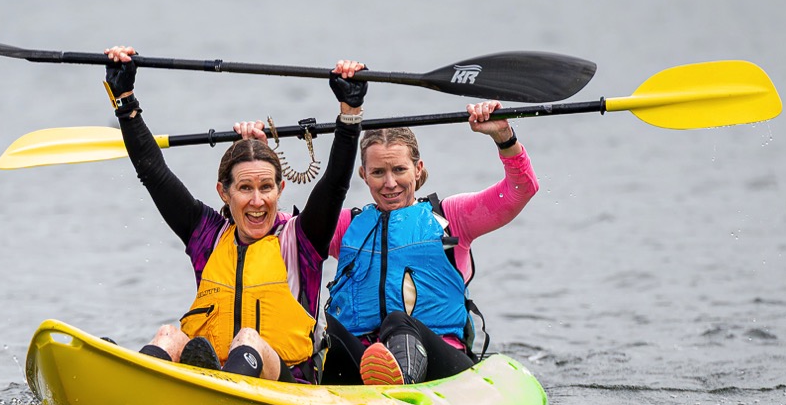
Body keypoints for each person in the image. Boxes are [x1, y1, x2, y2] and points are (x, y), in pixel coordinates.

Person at [106, 46, 366, 382]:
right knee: (169, 336)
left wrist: (350, 114)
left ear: (280, 190)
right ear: (224, 194)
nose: (257, 201)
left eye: (266, 188)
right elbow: (154, 173)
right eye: (245, 189)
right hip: (218, 381)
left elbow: (335, 185)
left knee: (248, 340)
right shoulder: (207, 236)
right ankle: (129, 385)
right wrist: (125, 101)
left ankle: (216, 390)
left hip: (288, 387)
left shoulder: (302, 240)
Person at [316, 105, 537, 386]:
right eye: (378, 172)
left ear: (418, 169)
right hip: (363, 361)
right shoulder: (346, 227)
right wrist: (251, 152)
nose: (390, 183)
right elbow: (275, 226)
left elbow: (520, 190)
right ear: (363, 174)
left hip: (441, 365)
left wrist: (504, 137)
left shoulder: (449, 217)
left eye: (399, 169)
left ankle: (399, 387)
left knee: (397, 322)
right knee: (324, 328)